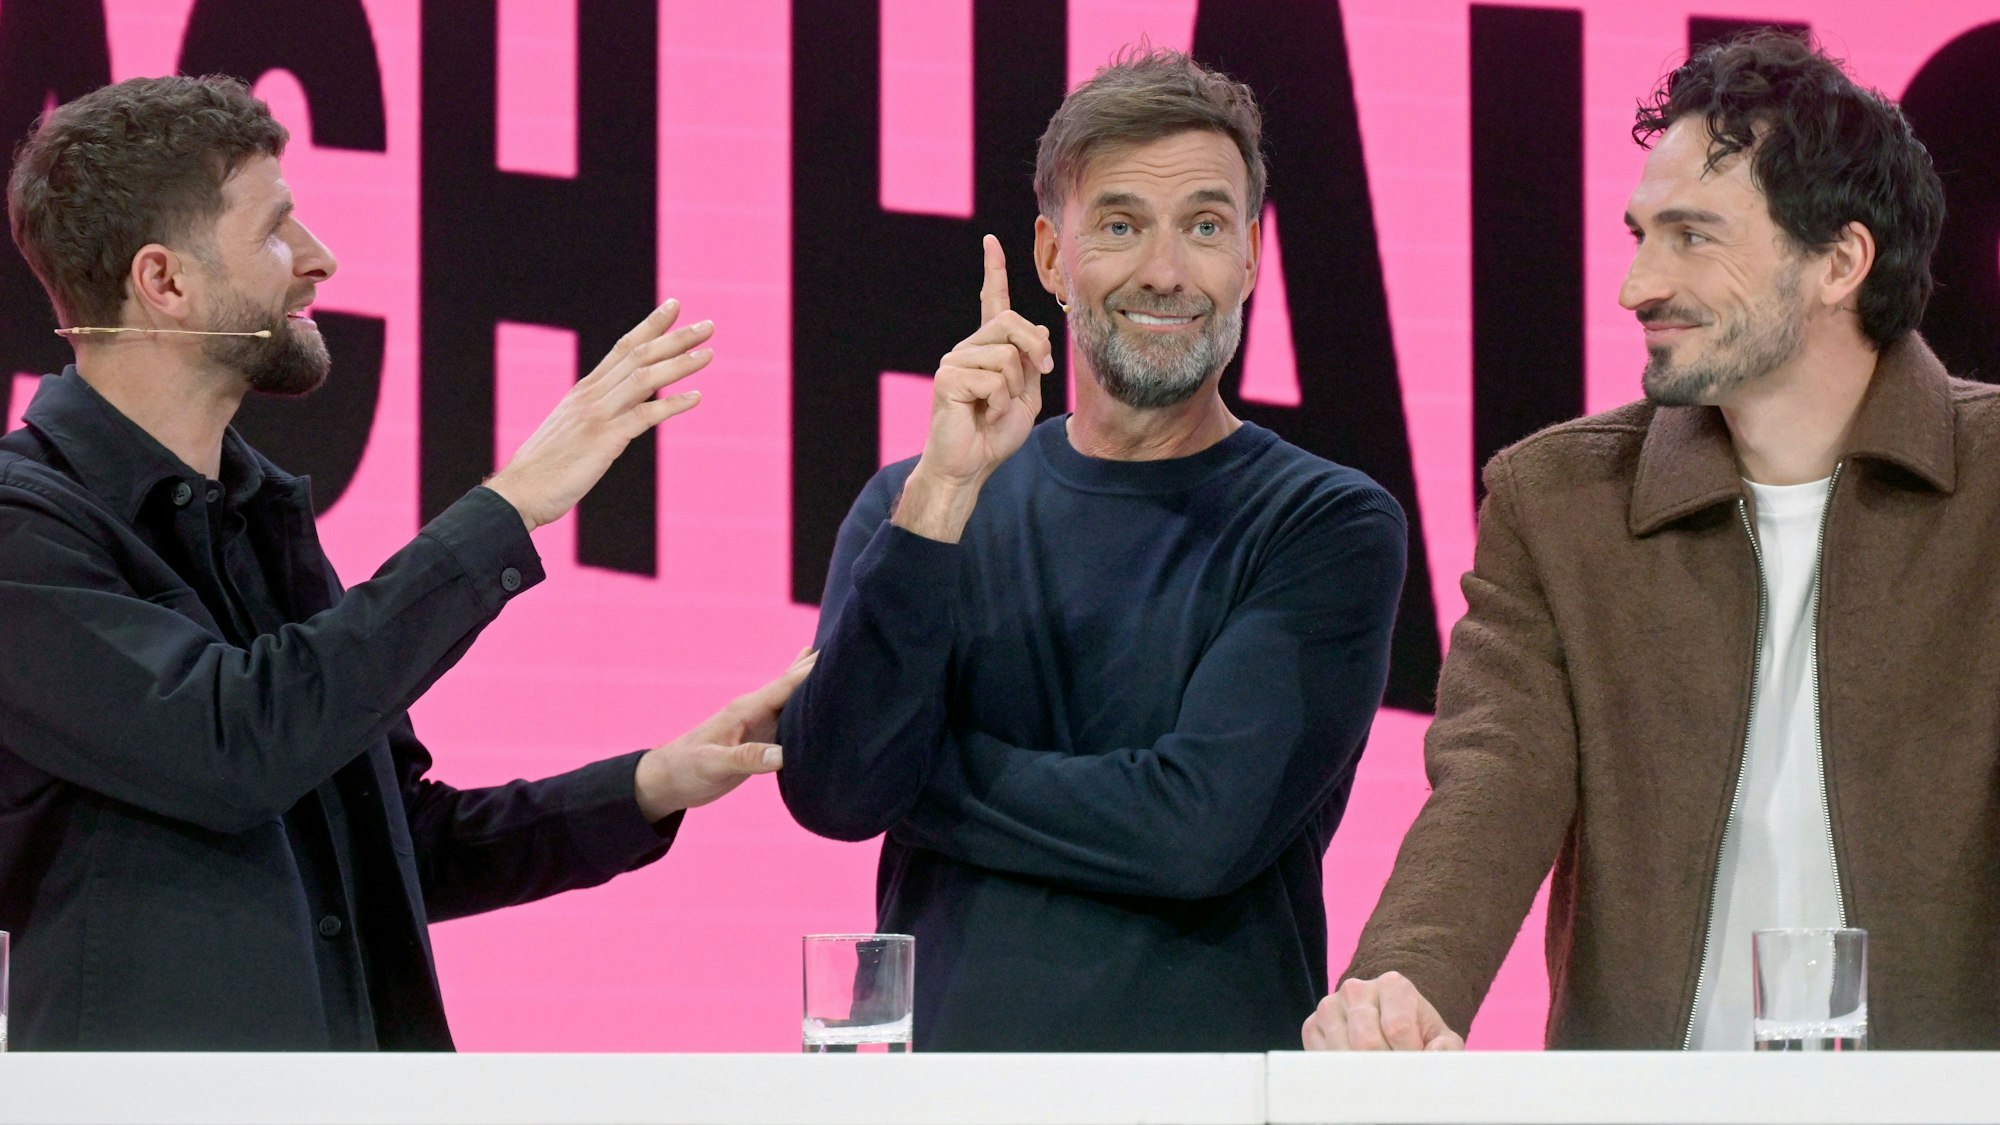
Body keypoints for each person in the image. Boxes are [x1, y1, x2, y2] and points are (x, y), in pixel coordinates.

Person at [0, 74, 810, 1050]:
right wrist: (509, 507)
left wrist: (647, 784)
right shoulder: (23, 527)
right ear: (164, 283)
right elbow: (233, 747)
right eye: (274, 231)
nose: (317, 260)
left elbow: (399, 846)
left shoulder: (257, 516)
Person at [1303, 31, 1977, 1051]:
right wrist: (1398, 989)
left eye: (1691, 237)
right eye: (1637, 236)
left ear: (1839, 260)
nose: (1634, 288)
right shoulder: (1556, 500)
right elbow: (1495, 777)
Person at [778, 49, 1407, 1052]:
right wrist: (945, 493)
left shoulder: (1325, 522)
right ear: (1047, 254)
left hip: (1215, 1103)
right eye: (1118, 225)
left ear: (1249, 255)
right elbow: (838, 792)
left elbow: (1193, 833)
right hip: (949, 1100)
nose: (1163, 270)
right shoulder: (914, 502)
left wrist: (919, 772)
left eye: (1203, 227)